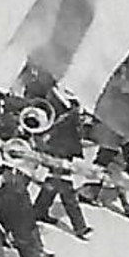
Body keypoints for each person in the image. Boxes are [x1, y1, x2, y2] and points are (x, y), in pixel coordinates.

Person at [28, 73, 91, 240]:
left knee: (54, 182)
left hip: (67, 146)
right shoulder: (51, 100)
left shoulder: (69, 101)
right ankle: (80, 226)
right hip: (56, 146)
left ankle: (39, 210)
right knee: (65, 185)